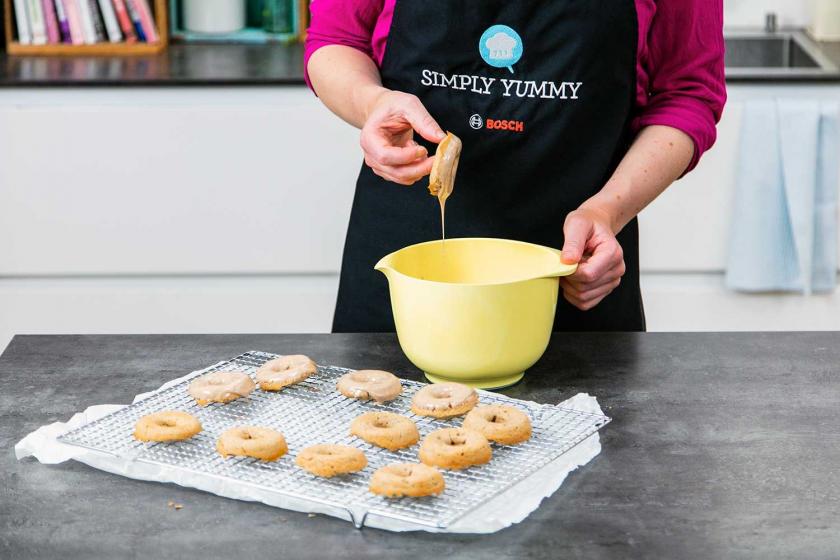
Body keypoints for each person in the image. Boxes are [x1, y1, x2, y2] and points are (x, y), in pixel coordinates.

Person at [305, 1, 726, 333]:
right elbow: (335, 40)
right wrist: (371, 103)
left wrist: (608, 211)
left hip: (574, 265)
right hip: (404, 263)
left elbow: (689, 92)